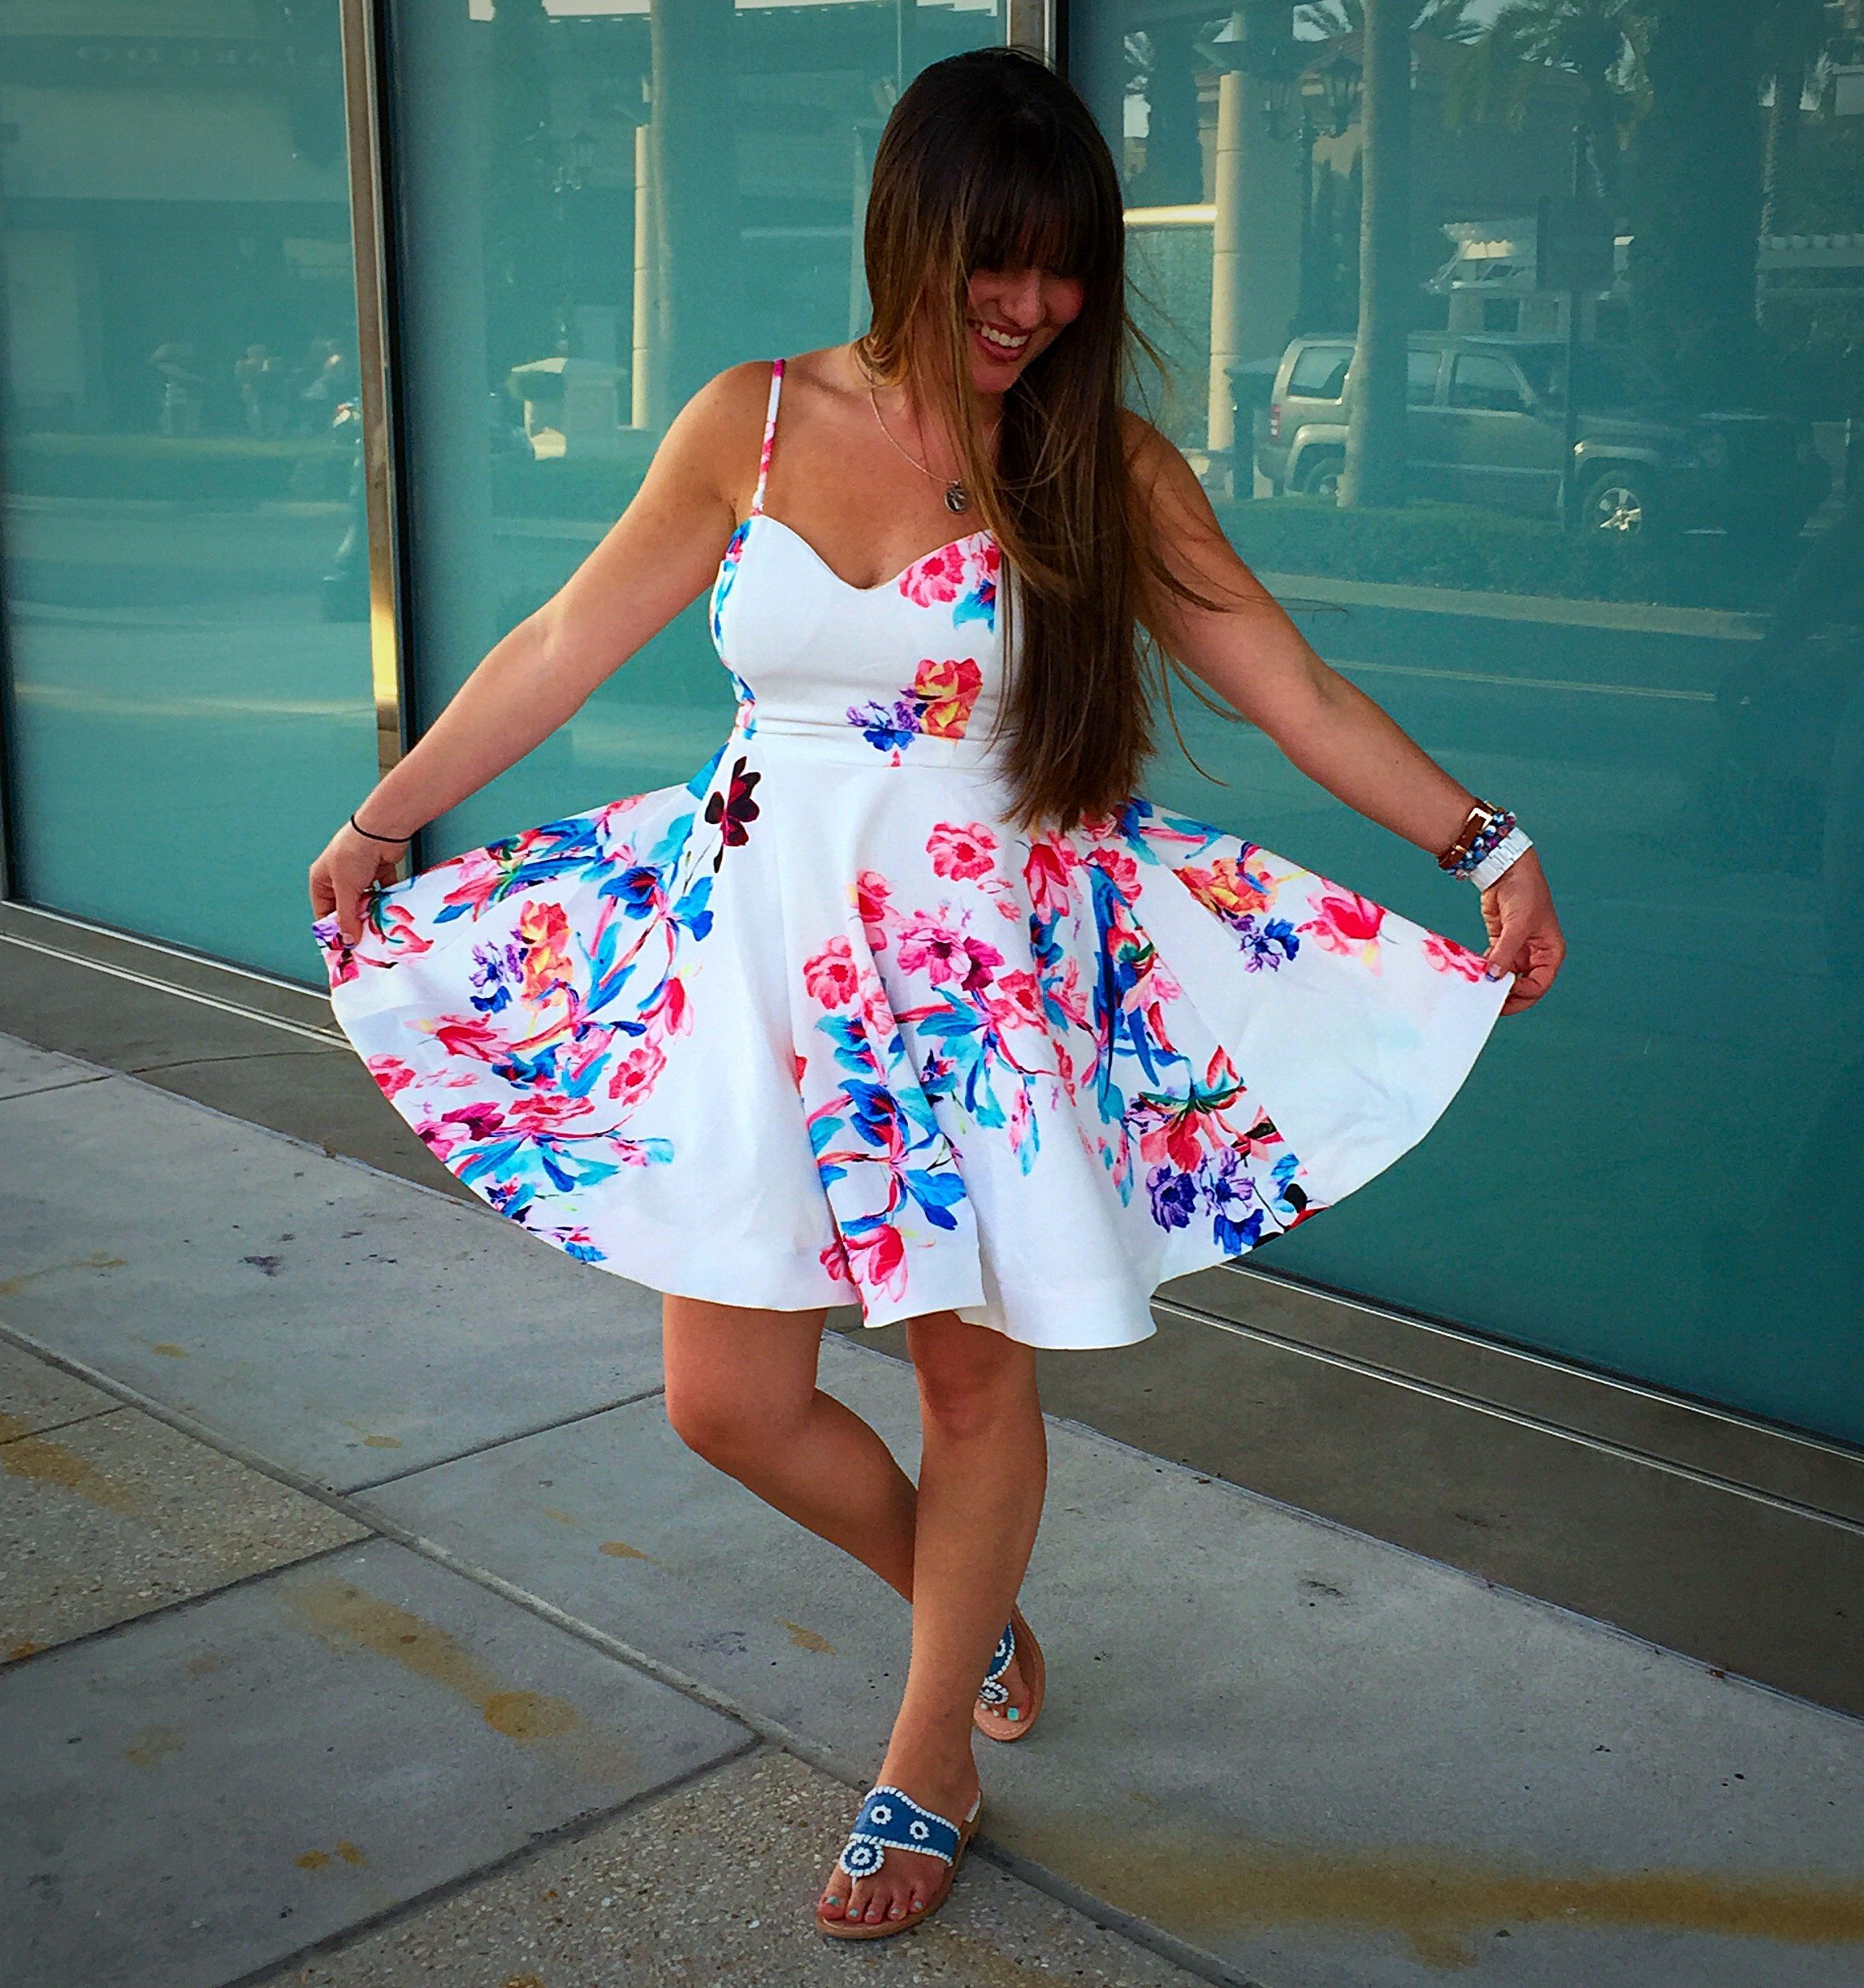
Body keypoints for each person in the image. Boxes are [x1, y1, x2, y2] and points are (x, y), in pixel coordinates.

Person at [306, 48, 1564, 1943]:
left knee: (975, 1378)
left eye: (1064, 274)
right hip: (760, 955)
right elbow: (569, 635)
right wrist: (392, 812)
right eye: (1000, 261)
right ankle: (962, 1611)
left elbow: (1282, 684)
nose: (1031, 307)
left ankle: (924, 1763)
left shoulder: (1096, 459)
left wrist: (1483, 841)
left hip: (985, 988)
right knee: (725, 1400)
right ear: (912, 226)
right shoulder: (750, 422)